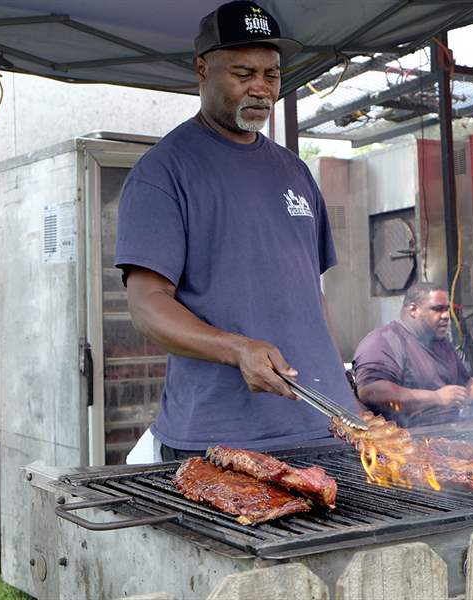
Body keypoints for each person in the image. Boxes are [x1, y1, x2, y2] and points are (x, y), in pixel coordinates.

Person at [115, 0, 360, 461]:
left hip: (326, 427)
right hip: (220, 439)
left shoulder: (295, 172)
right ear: (203, 71)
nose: (261, 90)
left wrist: (347, 394)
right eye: (243, 73)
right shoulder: (164, 172)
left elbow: (312, 296)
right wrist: (237, 349)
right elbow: (148, 307)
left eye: (271, 75)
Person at [352, 283, 473, 427]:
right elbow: (371, 392)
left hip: (450, 432)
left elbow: (466, 385)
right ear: (413, 310)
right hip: (406, 440)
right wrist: (436, 397)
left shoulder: (441, 342)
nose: (446, 316)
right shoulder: (384, 341)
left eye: (447, 309)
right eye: (437, 309)